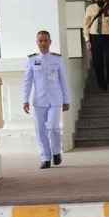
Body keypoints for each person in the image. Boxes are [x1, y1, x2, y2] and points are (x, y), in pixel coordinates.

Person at [22, 30, 70, 170]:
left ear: (50, 42)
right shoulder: (32, 60)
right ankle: (45, 158)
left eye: (45, 40)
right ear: (37, 43)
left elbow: (63, 80)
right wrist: (25, 100)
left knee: (53, 127)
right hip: (39, 100)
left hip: (55, 99)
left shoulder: (57, 59)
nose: (43, 43)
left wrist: (66, 100)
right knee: (40, 130)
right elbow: (27, 81)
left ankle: (56, 152)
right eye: (40, 41)